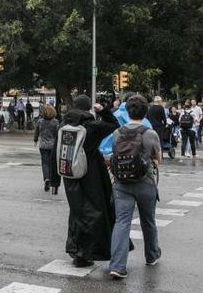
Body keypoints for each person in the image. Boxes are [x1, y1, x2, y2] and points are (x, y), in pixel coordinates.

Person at [61, 94, 120, 267]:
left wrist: (54, 179)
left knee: (76, 211)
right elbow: (114, 125)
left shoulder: (64, 125)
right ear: (88, 108)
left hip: (70, 173)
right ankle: (87, 252)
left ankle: (74, 248)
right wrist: (104, 110)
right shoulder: (92, 126)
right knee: (93, 211)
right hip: (92, 173)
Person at [108, 95, 162, 280]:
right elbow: (158, 160)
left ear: (127, 111)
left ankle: (117, 266)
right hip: (145, 182)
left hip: (121, 183)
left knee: (122, 222)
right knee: (148, 220)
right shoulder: (150, 133)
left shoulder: (117, 133)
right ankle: (151, 255)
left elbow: (112, 155)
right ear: (145, 112)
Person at [34, 104, 60, 195]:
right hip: (53, 146)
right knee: (53, 164)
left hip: (43, 146)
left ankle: (46, 178)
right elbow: (58, 134)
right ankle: (53, 182)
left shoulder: (40, 121)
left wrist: (35, 140)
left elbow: (36, 131)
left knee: (45, 163)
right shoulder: (56, 122)